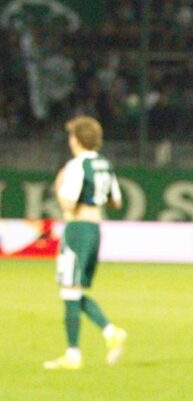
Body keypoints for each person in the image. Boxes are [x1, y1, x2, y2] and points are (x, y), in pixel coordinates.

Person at [44, 115, 127, 370]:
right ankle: (105, 335)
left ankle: (79, 351)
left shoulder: (76, 165)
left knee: (69, 291)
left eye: (71, 136)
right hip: (95, 230)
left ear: (77, 139)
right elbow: (116, 201)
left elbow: (68, 203)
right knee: (74, 291)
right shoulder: (104, 164)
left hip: (77, 229)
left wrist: (59, 186)